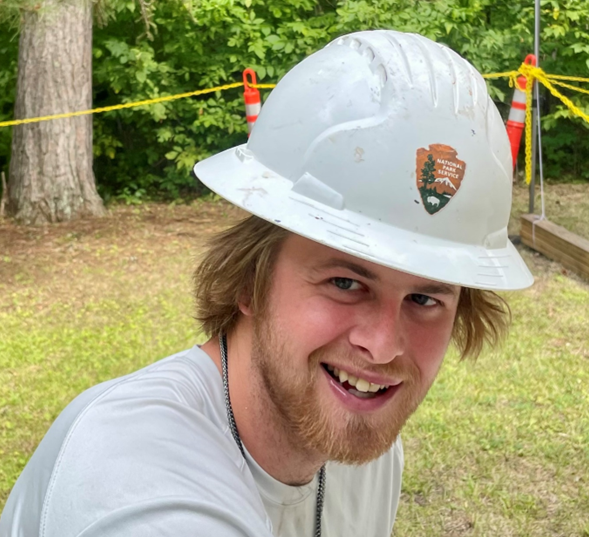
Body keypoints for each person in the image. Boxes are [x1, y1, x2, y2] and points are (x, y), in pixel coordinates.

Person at [0, 30, 533, 537]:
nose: (383, 344)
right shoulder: (131, 470)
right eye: (346, 282)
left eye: (424, 297)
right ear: (249, 282)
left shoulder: (364, 449)